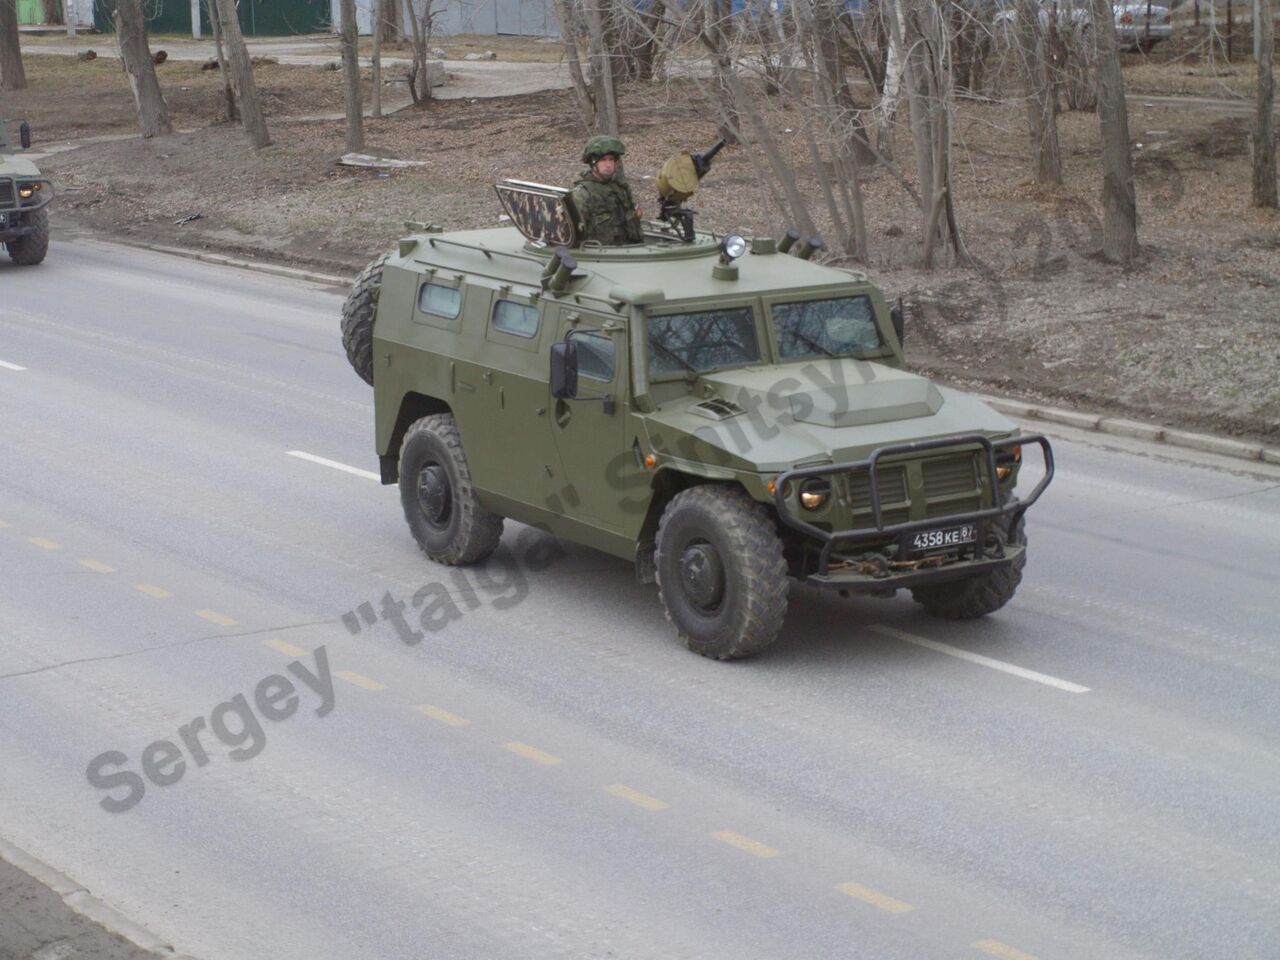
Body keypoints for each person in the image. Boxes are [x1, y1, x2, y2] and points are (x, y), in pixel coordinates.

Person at [570, 136, 644, 246]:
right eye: (603, 160)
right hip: (601, 255)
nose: (608, 165)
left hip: (629, 249)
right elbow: (575, 232)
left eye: (611, 160)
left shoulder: (621, 187)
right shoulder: (582, 193)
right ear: (593, 163)